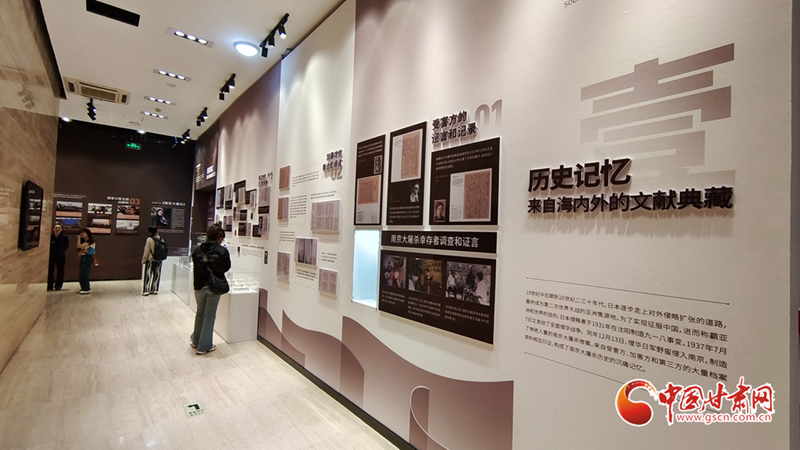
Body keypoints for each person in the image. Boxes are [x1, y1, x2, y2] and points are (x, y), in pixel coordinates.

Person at [190, 224, 231, 355]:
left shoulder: (197, 250)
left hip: (199, 285)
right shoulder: (222, 251)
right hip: (214, 287)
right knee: (209, 315)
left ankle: (196, 341)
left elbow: (195, 264)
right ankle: (204, 346)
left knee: (200, 313)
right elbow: (226, 267)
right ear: (219, 237)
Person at [141, 226, 164, 296]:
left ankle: (146, 290)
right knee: (157, 274)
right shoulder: (161, 239)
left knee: (148, 274)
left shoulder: (149, 239)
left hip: (150, 259)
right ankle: (155, 289)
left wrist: (144, 260)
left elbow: (147, 250)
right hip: (159, 259)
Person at [47, 224, 69, 291]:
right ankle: (50, 285)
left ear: (61, 229)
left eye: (59, 228)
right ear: (53, 229)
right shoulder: (50, 237)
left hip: (60, 256)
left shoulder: (64, 237)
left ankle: (58, 286)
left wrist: (60, 250)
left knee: (60, 271)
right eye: (56, 227)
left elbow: (66, 246)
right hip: (51, 256)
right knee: (50, 271)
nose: (57, 229)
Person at [77, 228, 95, 294]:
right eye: (81, 233)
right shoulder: (84, 241)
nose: (82, 234)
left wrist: (78, 238)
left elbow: (79, 246)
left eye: (84, 232)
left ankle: (86, 288)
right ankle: (83, 287)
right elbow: (80, 250)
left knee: (84, 273)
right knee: (81, 273)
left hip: (88, 258)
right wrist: (82, 251)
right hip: (83, 257)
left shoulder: (91, 241)